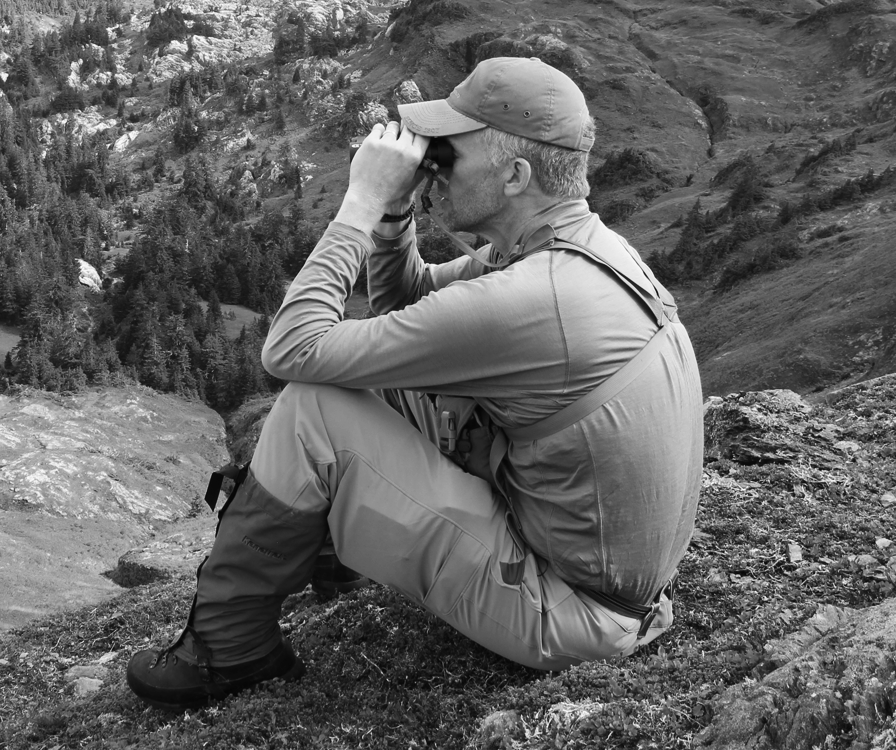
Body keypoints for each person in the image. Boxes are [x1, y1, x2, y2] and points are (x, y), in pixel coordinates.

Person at [126, 56, 704, 710]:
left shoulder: (533, 300)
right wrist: (397, 215)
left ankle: (227, 650)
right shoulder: (575, 253)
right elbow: (411, 309)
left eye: (451, 150)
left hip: (573, 615)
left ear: (515, 176)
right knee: (383, 384)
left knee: (314, 408)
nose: (433, 163)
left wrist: (362, 203)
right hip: (600, 576)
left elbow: (292, 348)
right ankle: (324, 556)